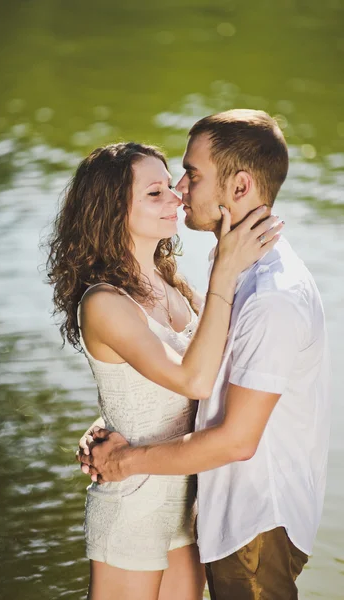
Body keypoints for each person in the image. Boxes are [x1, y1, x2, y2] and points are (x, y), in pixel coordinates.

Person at [79, 110, 331, 600]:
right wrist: (112, 419)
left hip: (254, 514)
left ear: (238, 188)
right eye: (161, 187)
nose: (179, 188)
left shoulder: (269, 294)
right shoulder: (229, 266)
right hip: (198, 509)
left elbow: (235, 438)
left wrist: (127, 458)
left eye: (191, 174)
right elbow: (172, 373)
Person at [47, 139, 282, 600]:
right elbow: (192, 379)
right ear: (111, 211)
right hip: (132, 502)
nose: (176, 195)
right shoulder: (104, 302)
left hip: (186, 505)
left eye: (170, 184)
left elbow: (201, 378)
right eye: (154, 193)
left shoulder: (175, 285)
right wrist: (225, 274)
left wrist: (105, 422)